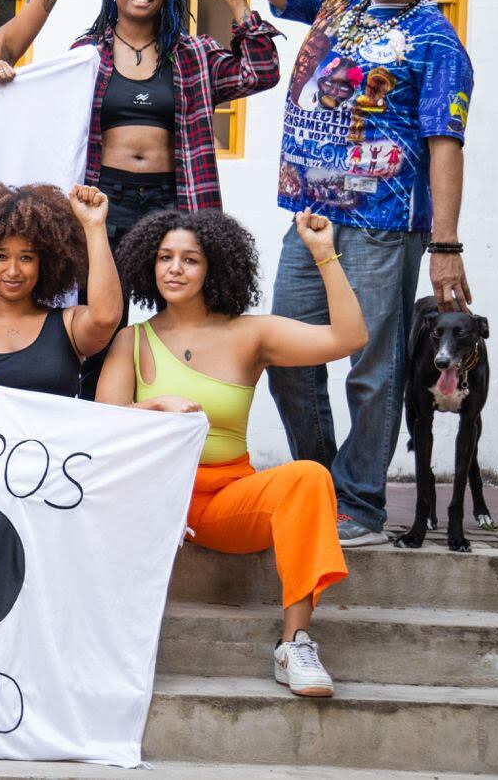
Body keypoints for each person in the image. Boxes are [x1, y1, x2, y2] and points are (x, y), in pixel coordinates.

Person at [241, 0, 474, 547]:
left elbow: (445, 145)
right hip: (310, 220)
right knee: (287, 355)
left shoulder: (438, 41)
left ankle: (362, 503)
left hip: (382, 226)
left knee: (371, 366)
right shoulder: (340, 1)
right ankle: (322, 487)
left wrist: (445, 246)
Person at [96, 208, 366, 697]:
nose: (174, 269)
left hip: (225, 500)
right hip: (154, 500)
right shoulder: (131, 340)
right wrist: (154, 405)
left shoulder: (250, 334)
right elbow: (103, 426)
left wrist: (325, 255)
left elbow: (348, 339)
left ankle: (295, 644)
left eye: (190, 259)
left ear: (215, 267)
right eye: (164, 258)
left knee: (308, 476)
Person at [72, 0, 284, 398]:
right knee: (99, 321)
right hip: (103, 203)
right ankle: (92, 427)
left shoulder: (192, 54)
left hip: (174, 205)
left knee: (190, 318)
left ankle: (179, 427)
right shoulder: (86, 53)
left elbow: (262, 71)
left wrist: (236, 1)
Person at [0, 183, 120, 397]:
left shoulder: (68, 324)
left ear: (45, 263)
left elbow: (106, 317)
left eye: (26, 257)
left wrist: (94, 226)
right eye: (1, 256)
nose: (13, 270)